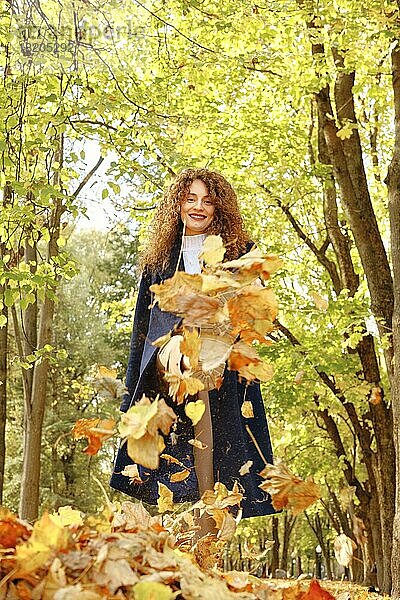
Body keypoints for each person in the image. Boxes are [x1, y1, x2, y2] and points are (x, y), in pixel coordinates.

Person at [110, 168, 277, 532]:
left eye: (208, 201)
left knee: (221, 432)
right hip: (171, 357)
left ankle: (206, 519)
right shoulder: (158, 261)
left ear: (219, 209)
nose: (199, 207)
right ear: (179, 204)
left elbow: (254, 309)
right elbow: (142, 328)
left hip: (223, 354)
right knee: (190, 371)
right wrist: (130, 394)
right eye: (191, 199)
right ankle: (197, 513)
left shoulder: (238, 253)